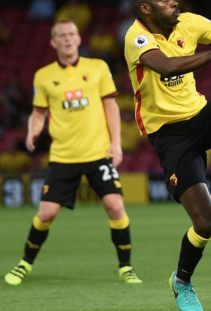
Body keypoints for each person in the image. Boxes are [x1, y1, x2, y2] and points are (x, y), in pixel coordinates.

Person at [124, 0, 211, 311]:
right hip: (170, 135)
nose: (174, 2)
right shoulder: (136, 37)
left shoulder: (191, 23)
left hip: (202, 115)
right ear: (146, 8)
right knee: (206, 222)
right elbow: (165, 65)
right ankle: (181, 282)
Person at [4, 19, 141, 286]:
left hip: (98, 153)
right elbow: (39, 112)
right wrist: (34, 130)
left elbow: (111, 107)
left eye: (72, 34)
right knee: (46, 214)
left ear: (79, 39)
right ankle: (25, 263)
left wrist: (116, 144)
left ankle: (126, 267)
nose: (67, 39)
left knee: (115, 206)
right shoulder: (43, 75)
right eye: (61, 35)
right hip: (63, 156)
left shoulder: (98, 67)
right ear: (53, 42)